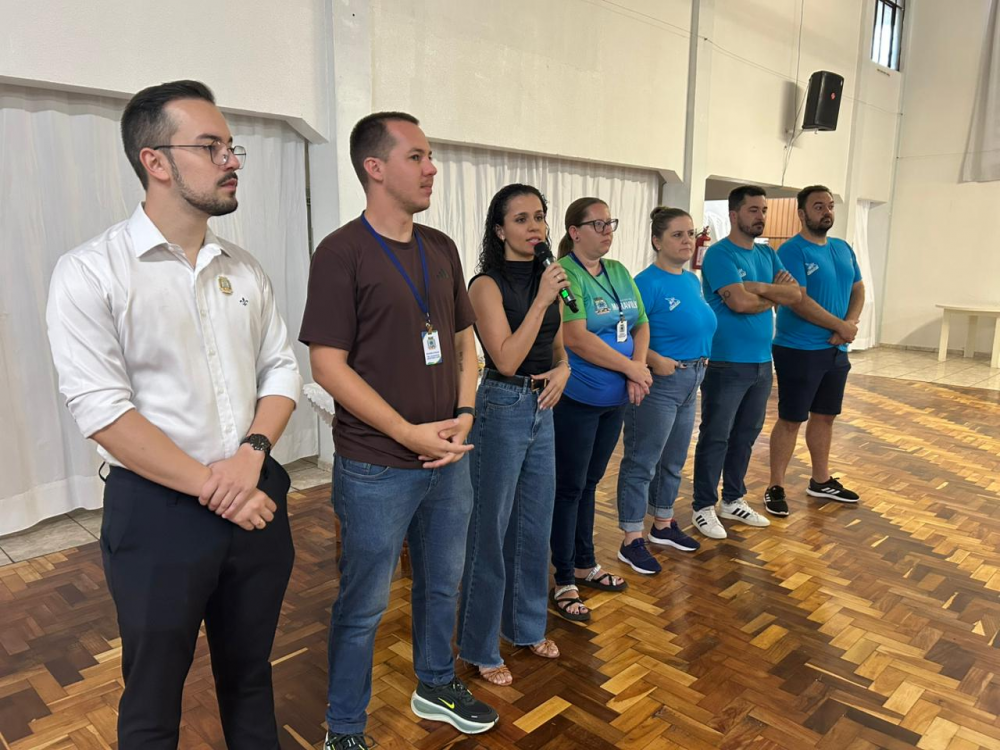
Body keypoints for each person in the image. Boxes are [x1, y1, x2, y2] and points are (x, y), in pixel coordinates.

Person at [46, 80, 302, 749]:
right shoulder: (90, 271)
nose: (231, 160)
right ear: (155, 161)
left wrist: (250, 456)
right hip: (157, 512)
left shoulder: (243, 269)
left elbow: (281, 371)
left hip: (255, 494)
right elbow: (102, 410)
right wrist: (219, 487)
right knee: (153, 698)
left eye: (231, 146)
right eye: (210, 146)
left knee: (252, 677)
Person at [299, 112, 498, 750]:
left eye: (430, 155)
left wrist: (464, 415)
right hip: (377, 465)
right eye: (416, 156)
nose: (432, 168)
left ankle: (435, 684)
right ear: (375, 168)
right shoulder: (341, 252)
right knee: (363, 604)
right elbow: (327, 366)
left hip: (449, 456)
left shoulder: (441, 247)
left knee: (442, 583)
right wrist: (409, 434)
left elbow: (465, 345)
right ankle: (344, 728)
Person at [457, 184, 572, 686]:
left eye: (540, 217)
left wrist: (565, 371)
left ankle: (525, 627)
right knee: (491, 530)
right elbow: (505, 358)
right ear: (500, 230)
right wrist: (542, 298)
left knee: (533, 526)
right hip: (502, 404)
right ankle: (480, 646)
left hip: (543, 406)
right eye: (521, 219)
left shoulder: (552, 277)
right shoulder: (485, 285)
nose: (534, 227)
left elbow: (558, 348)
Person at [549, 197, 653, 621]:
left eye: (610, 222)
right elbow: (574, 336)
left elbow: (641, 323)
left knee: (590, 483)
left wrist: (637, 370)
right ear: (575, 232)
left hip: (616, 399)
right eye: (598, 224)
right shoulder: (564, 275)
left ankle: (584, 563)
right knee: (569, 487)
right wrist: (631, 368)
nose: (607, 230)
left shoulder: (619, 271)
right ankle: (563, 579)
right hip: (579, 399)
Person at [691, 185, 801, 540]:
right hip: (726, 363)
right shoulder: (719, 255)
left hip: (761, 362)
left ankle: (733, 499)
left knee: (746, 436)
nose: (760, 217)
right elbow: (738, 303)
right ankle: (703, 506)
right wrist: (770, 293)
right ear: (734, 214)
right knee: (716, 435)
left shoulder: (768, 254)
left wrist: (756, 287)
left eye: (763, 210)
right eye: (753, 210)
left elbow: (795, 294)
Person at [615, 207, 717, 574]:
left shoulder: (691, 280)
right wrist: (654, 360)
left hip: (692, 379)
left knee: (673, 461)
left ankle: (662, 523)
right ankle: (631, 538)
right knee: (642, 461)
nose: (687, 240)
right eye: (677, 234)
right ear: (657, 241)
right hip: (659, 384)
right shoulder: (645, 283)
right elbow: (624, 334)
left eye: (690, 233)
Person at [764, 185, 865, 515]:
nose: (826, 211)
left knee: (825, 416)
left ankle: (820, 480)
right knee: (791, 418)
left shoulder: (843, 248)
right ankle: (775, 486)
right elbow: (799, 300)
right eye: (818, 206)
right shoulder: (792, 251)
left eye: (830, 205)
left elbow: (858, 289)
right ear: (802, 213)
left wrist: (848, 324)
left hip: (836, 349)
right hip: (799, 349)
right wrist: (840, 326)